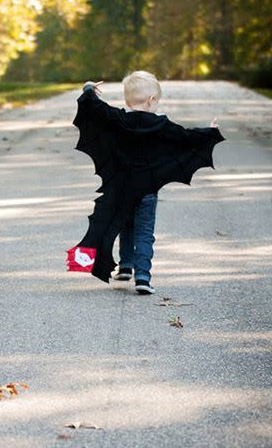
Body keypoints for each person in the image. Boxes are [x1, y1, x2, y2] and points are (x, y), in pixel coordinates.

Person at [71, 71, 221, 294]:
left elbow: (95, 108)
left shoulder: (119, 119)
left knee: (125, 224)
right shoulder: (161, 124)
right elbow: (186, 137)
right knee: (144, 231)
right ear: (152, 100)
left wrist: (88, 88)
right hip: (148, 191)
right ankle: (142, 276)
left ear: (127, 100)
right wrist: (210, 132)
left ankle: (125, 266)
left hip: (122, 189)